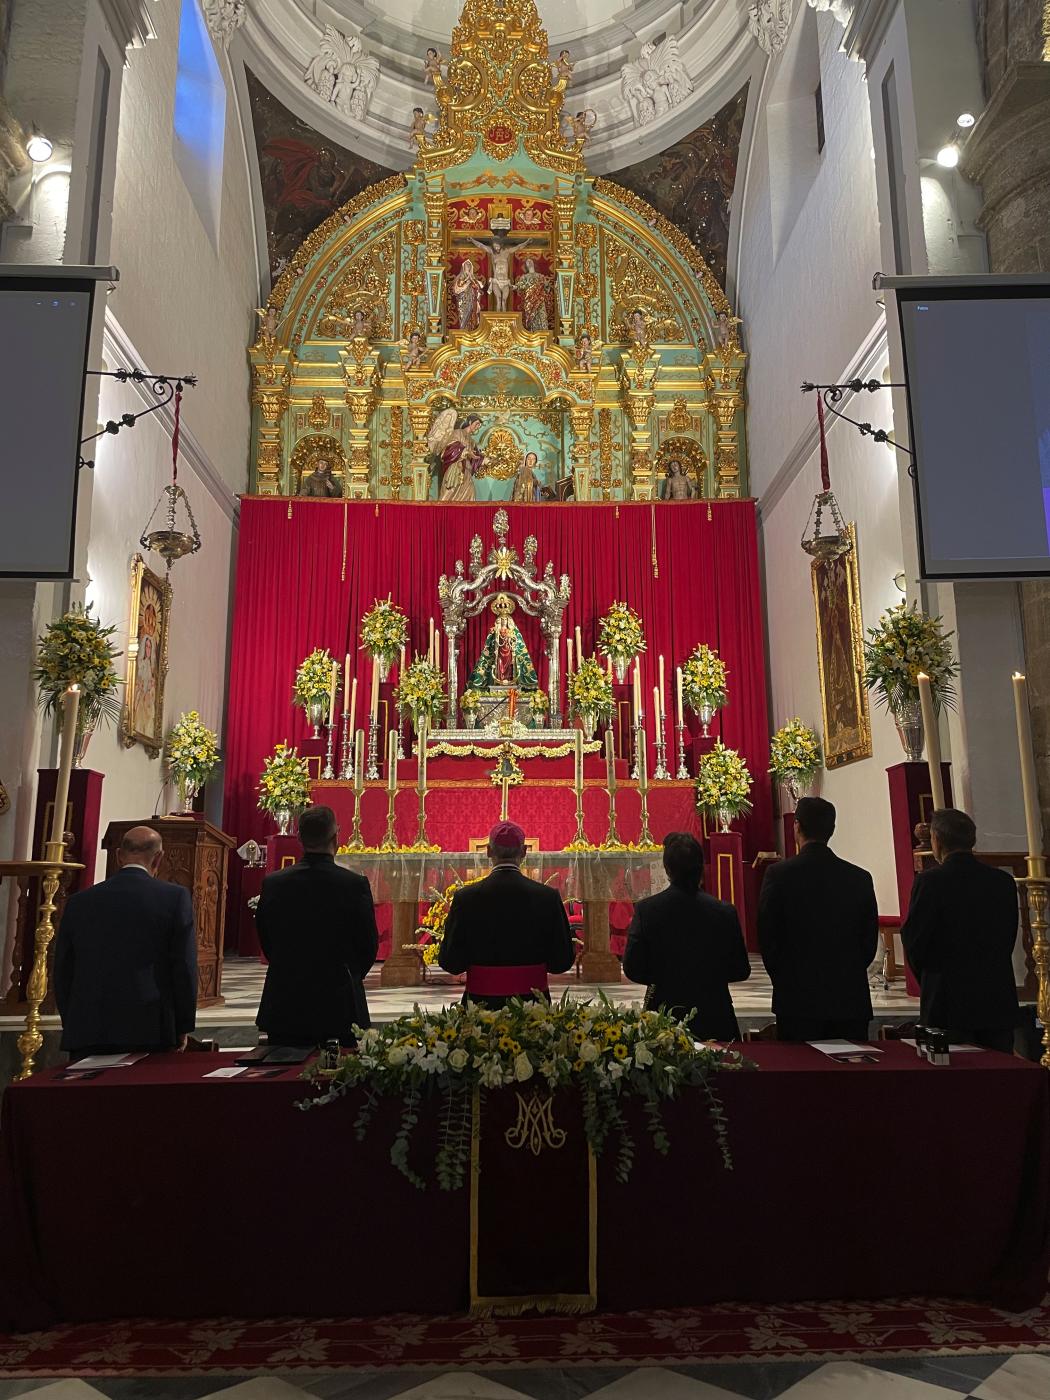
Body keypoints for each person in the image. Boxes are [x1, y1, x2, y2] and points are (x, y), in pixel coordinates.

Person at [54, 826, 197, 1058]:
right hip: (149, 1025)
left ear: (119, 855)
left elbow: (63, 969)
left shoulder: (79, 902)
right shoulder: (174, 898)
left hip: (88, 1025)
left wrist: (72, 1021)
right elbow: (183, 966)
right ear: (159, 858)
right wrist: (182, 1025)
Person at [256, 805, 379, 1046]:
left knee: (281, 1077)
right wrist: (347, 976)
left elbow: (267, 940)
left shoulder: (274, 883)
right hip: (340, 1002)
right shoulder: (353, 885)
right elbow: (367, 945)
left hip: (285, 1000)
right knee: (341, 1077)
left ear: (299, 838)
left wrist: (290, 969)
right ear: (337, 837)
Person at [758, 796, 878, 1042]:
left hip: (797, 998)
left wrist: (786, 978)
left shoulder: (778, 875)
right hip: (849, 997)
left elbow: (768, 937)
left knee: (802, 1075)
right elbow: (868, 942)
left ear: (797, 827)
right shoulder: (859, 878)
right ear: (832, 830)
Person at [901, 808, 1020, 1053]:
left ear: (937, 839)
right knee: (1000, 1079)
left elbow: (915, 941)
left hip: (946, 1001)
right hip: (995, 998)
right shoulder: (1002, 882)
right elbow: (1008, 937)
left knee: (955, 1081)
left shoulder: (930, 881)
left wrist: (930, 979)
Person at [623, 832, 750, 1040]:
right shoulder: (724, 912)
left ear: (667, 870)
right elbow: (740, 969)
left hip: (663, 1016)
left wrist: (664, 978)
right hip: (715, 1015)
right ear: (702, 867)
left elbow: (633, 968)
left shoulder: (647, 910)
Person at [439, 820, 574, 1006]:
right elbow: (562, 961)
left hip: (480, 1007)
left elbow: (450, 962)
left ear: (488, 851)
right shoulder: (547, 897)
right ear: (524, 852)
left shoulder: (466, 898)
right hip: (533, 1007)